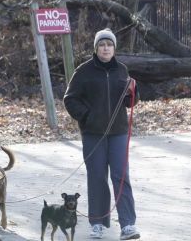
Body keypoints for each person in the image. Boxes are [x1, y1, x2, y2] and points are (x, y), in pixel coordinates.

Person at [63, 28, 141, 240]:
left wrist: (134, 92)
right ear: (96, 48)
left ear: (114, 48)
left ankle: (128, 224)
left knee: (121, 177)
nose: (106, 48)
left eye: (109, 45)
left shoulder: (122, 70)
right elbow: (70, 99)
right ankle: (97, 223)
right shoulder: (83, 71)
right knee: (97, 177)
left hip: (118, 132)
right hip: (93, 133)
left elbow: (129, 102)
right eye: (102, 45)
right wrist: (87, 116)